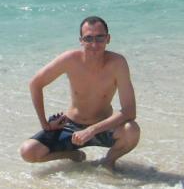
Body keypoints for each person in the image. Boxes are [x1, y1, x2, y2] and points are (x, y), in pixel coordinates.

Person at [20, 16, 140, 169]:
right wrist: (46, 125)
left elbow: (130, 111)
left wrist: (91, 130)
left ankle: (107, 162)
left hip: (102, 127)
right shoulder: (70, 59)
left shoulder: (118, 63)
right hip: (70, 126)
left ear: (108, 38)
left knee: (132, 131)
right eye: (88, 38)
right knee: (28, 152)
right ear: (81, 40)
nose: (94, 44)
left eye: (99, 37)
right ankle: (72, 155)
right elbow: (35, 84)